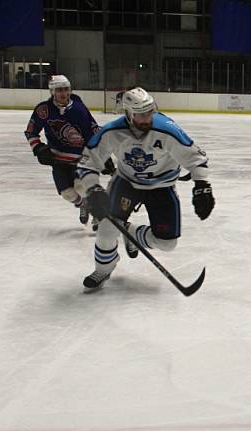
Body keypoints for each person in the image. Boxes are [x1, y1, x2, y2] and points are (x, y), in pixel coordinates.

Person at [77, 87, 215, 291]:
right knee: (106, 230)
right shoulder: (112, 132)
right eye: (140, 114)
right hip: (126, 183)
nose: (147, 118)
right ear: (128, 114)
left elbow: (195, 158)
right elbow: (88, 162)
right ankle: (104, 269)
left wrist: (202, 185)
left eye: (149, 112)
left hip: (162, 186)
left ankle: (129, 231)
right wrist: (93, 189)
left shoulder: (166, 129)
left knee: (167, 244)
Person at [24, 74, 109, 228]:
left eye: (65, 89)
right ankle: (84, 205)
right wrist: (38, 147)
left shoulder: (78, 109)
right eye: (59, 90)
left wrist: (102, 155)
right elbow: (31, 132)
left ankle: (97, 213)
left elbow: (93, 131)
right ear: (52, 92)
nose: (63, 93)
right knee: (67, 193)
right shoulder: (44, 110)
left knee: (81, 187)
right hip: (58, 159)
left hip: (81, 158)